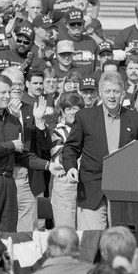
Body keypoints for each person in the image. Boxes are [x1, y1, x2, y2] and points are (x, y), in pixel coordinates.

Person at [0, 75, 63, 231]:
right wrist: (11, 145)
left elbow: (21, 155)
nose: (8, 96)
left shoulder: (13, 121)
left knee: (8, 235)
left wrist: (47, 165)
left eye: (9, 92)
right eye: (3, 92)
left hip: (8, 183)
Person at [62, 72, 138, 230]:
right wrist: (70, 167)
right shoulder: (84, 117)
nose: (112, 96)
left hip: (124, 192)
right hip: (92, 190)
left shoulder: (136, 120)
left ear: (123, 93)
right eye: (108, 91)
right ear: (100, 92)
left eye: (116, 91)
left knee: (120, 244)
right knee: (92, 243)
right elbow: (71, 147)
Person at [1, 67, 52, 232]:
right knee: (5, 229)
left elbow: (44, 148)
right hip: (2, 175)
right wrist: (12, 118)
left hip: (26, 177)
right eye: (13, 84)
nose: (17, 88)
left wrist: (40, 122)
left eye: (20, 84)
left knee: (28, 231)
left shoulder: (31, 109)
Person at [50, 92, 85, 228]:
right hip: (65, 182)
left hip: (86, 183)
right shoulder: (58, 132)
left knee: (85, 230)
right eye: (68, 109)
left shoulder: (87, 130)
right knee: (66, 230)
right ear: (63, 113)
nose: (72, 112)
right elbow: (60, 157)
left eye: (76, 108)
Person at [58, 7, 98, 76]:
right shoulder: (60, 42)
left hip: (88, 84)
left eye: (79, 23)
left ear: (83, 23)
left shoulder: (91, 41)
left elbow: (97, 67)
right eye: (72, 24)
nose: (76, 26)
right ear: (66, 25)